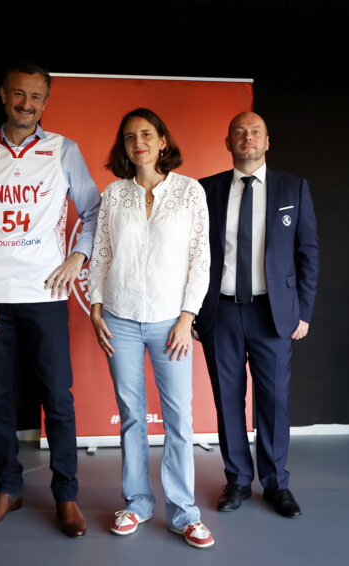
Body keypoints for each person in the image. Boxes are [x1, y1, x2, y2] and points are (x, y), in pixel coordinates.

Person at [0, 62, 100, 538]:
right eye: (19, 94)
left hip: (46, 294)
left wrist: (79, 254)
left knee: (57, 399)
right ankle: (8, 489)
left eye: (36, 97)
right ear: (3, 95)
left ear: (45, 102)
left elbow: (94, 210)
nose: (26, 104)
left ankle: (67, 496)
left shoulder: (63, 150)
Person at [88, 108, 214, 549]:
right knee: (131, 417)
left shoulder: (189, 193)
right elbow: (101, 255)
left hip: (170, 323)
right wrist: (96, 308)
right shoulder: (113, 195)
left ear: (163, 140)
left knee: (179, 419)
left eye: (146, 134)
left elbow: (201, 260)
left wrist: (186, 317)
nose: (137, 142)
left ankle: (184, 513)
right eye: (128, 137)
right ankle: (138, 503)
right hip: (119, 319)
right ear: (123, 147)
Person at [196, 111, 319, 518]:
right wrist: (193, 309)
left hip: (273, 314)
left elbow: (307, 253)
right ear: (227, 142)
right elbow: (192, 256)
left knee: (274, 401)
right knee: (227, 400)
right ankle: (236, 481)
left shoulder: (293, 188)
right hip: (222, 313)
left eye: (255, 133)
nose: (247, 138)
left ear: (267, 142)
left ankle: (276, 484)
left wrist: (302, 311)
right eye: (239, 133)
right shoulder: (207, 190)